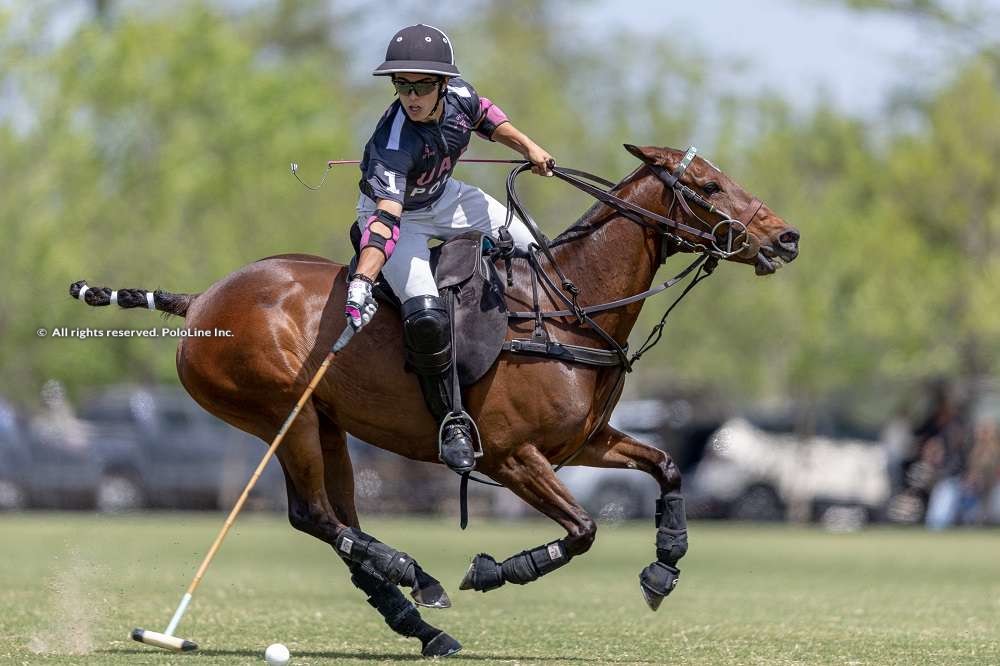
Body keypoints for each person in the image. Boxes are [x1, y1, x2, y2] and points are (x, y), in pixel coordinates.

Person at [345, 24, 553, 473]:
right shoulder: (392, 144)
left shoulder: (458, 94)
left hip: (447, 198)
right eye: (402, 85)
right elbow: (385, 221)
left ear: (443, 83)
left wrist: (530, 147)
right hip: (401, 219)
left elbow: (486, 115)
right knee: (424, 314)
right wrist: (362, 281)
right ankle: (452, 422)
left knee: (537, 251)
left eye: (421, 85)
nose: (411, 96)